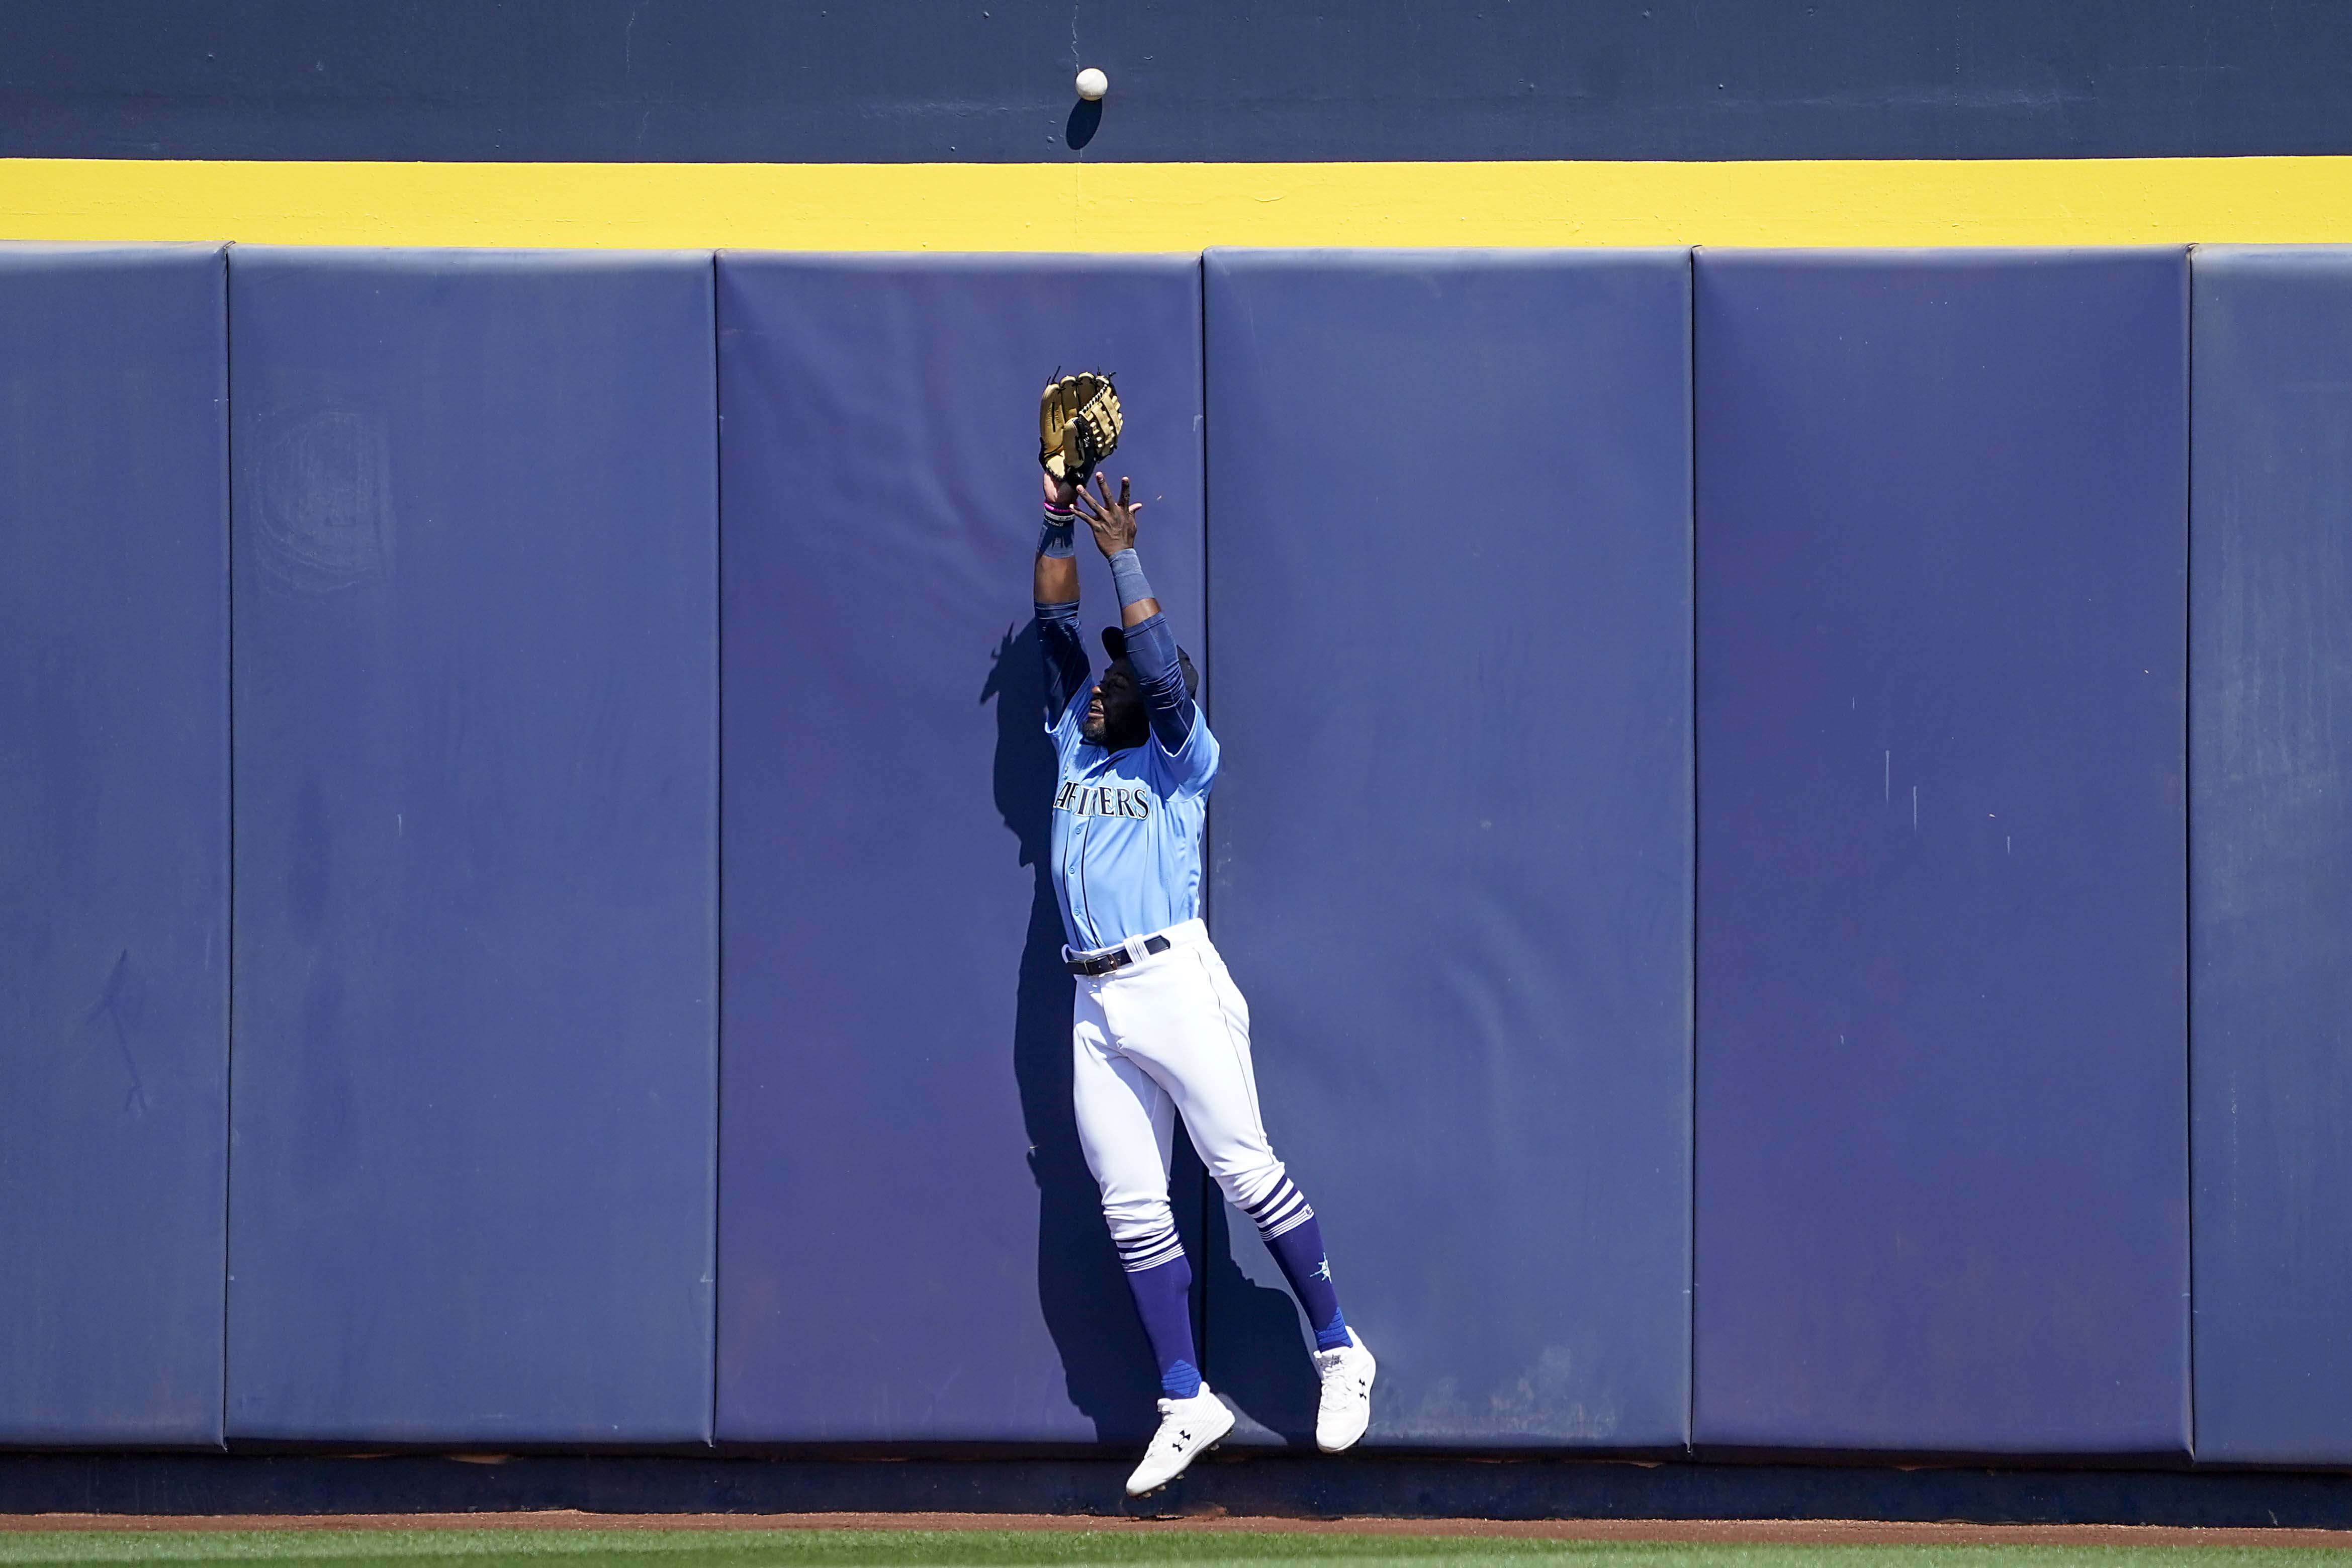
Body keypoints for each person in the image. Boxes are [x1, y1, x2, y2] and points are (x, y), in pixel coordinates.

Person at [1032, 463, 1377, 1496]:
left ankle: (1336, 1350)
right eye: (1102, 679)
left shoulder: (1177, 762)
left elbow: (1160, 672)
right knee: (1131, 1206)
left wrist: (1121, 557)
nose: (1102, 685)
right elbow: (1053, 627)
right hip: (1093, 997)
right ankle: (1186, 1399)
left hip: (1173, 984)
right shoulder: (1075, 749)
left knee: (1241, 1170)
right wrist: (1056, 521)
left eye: (1119, 679)